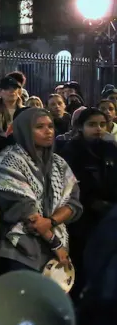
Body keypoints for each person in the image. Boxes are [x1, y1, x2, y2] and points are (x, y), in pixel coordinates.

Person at [0, 108, 81, 273]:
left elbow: (73, 203)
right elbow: (26, 211)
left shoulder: (59, 163)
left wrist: (51, 221)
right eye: (39, 127)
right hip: (21, 248)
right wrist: (55, 244)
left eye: (50, 126)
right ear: (24, 130)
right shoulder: (10, 161)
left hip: (55, 249)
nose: (48, 132)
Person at [55, 107, 117, 298]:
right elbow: (70, 186)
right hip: (82, 219)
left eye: (102, 124)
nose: (98, 129)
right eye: (92, 124)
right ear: (80, 127)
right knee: (82, 264)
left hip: (108, 218)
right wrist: (91, 202)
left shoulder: (110, 149)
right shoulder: (70, 151)